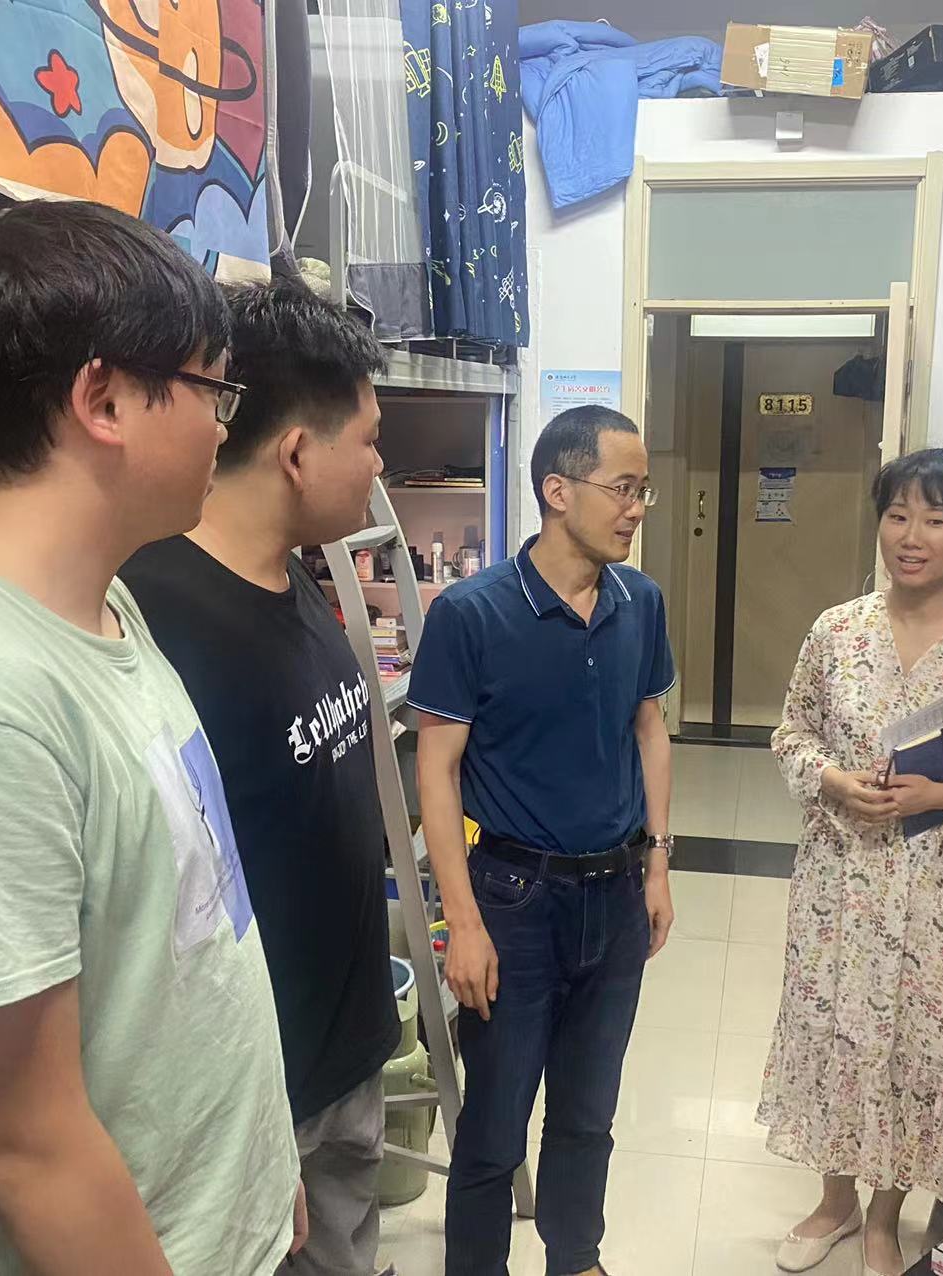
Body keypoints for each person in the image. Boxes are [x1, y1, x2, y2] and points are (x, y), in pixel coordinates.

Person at [0, 201, 303, 1274]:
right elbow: (18, 1145)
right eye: (214, 388)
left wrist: (261, 1178)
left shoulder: (102, 603)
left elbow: (185, 939)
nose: (226, 427)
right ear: (105, 399)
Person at [119, 279, 399, 1276]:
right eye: (369, 440)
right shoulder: (159, 618)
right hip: (260, 1094)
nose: (380, 465)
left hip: (344, 1052)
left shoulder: (293, 574)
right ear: (296, 453)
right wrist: (251, 1117)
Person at [761, 448, 943, 1276]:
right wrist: (832, 780)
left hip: (935, 891)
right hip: (839, 881)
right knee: (832, 1029)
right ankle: (834, 1201)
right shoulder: (836, 632)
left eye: (936, 519)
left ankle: (886, 1215)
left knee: (913, 1047)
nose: (912, 536)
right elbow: (791, 732)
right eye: (897, 515)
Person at [409, 405, 676, 1276]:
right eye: (623, 488)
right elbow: (437, 772)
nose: (636, 508)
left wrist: (658, 862)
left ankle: (576, 1259)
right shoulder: (472, 613)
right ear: (558, 491)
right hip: (512, 902)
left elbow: (650, 730)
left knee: (589, 1115)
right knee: (493, 1129)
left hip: (616, 894)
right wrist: (463, 921)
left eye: (643, 490)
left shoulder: (640, 602)